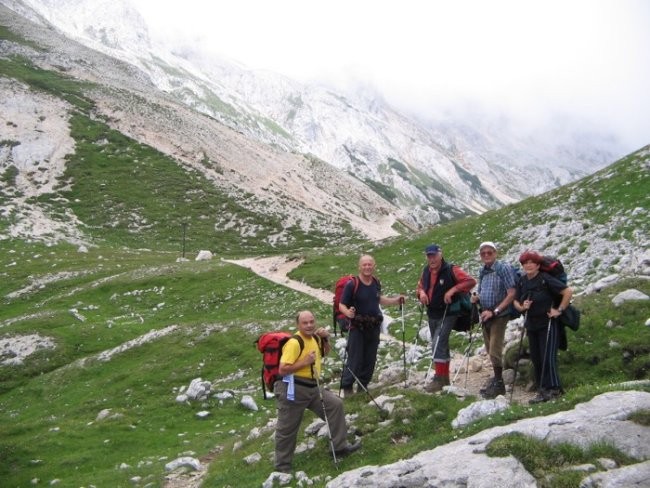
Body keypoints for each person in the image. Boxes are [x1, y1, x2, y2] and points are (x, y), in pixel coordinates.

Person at [274, 310, 361, 473]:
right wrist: (304, 362)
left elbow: (324, 352)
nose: (309, 325)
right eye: (305, 323)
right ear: (298, 325)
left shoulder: (314, 338)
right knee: (287, 427)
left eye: (311, 322)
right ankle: (282, 466)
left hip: (313, 387)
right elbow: (283, 369)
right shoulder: (294, 342)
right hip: (293, 388)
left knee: (335, 405)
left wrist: (326, 338)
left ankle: (339, 447)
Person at [338, 254, 405, 397]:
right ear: (359, 267)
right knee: (355, 358)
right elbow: (341, 304)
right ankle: (347, 387)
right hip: (357, 327)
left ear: (374, 266)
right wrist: (348, 313)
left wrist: (395, 301)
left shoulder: (375, 282)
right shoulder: (352, 284)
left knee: (370, 358)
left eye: (370, 264)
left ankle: (363, 386)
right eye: (364, 265)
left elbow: (378, 299)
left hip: (373, 326)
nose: (367, 267)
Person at [513, 251, 573, 404]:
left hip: (548, 323)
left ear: (538, 264)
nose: (528, 265)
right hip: (531, 324)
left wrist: (558, 310)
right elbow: (515, 301)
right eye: (525, 263)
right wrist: (522, 307)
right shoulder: (522, 281)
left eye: (532, 262)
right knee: (537, 358)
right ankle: (543, 389)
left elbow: (567, 292)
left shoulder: (545, 279)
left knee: (548, 356)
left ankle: (554, 389)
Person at [416, 244, 476, 392]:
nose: (432, 259)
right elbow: (420, 287)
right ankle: (444, 378)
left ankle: (439, 378)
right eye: (429, 256)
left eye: (434, 255)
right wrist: (421, 294)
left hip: (449, 312)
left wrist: (452, 290)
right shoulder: (426, 271)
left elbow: (470, 281)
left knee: (437, 342)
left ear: (440, 255)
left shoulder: (451, 269)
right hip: (432, 312)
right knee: (440, 343)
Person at [471, 241, 518, 398]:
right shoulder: (482, 271)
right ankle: (497, 379)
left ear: (495, 253)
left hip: (499, 314)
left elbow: (511, 293)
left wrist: (495, 311)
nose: (486, 255)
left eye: (489, 252)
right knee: (489, 348)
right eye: (483, 253)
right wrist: (477, 298)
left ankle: (499, 384)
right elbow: (483, 290)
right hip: (485, 314)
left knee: (494, 349)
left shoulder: (503, 268)